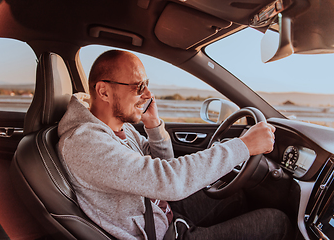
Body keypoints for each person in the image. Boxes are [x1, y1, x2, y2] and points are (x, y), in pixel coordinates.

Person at [57, 50, 293, 240]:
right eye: (138, 86)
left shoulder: (119, 127)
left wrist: (153, 125)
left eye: (146, 84)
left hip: (162, 213)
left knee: (236, 196)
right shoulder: (85, 142)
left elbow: (163, 164)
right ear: (104, 91)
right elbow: (169, 180)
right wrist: (244, 146)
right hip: (164, 234)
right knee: (276, 223)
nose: (148, 93)